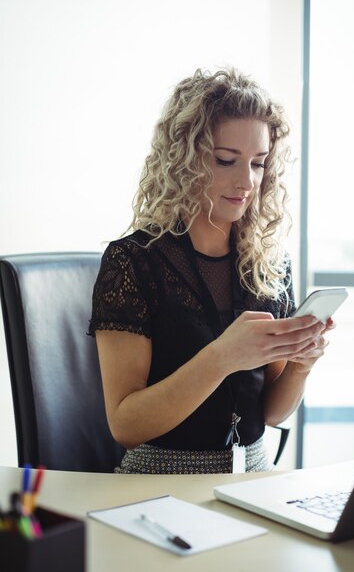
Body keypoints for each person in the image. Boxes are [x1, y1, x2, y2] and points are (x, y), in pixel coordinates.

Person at [88, 67, 333, 474]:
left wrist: (301, 365)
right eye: (225, 160)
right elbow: (125, 426)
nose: (247, 181)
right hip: (159, 478)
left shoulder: (269, 264)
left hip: (252, 475)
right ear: (182, 160)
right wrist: (221, 357)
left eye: (258, 163)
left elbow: (272, 414)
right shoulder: (131, 262)